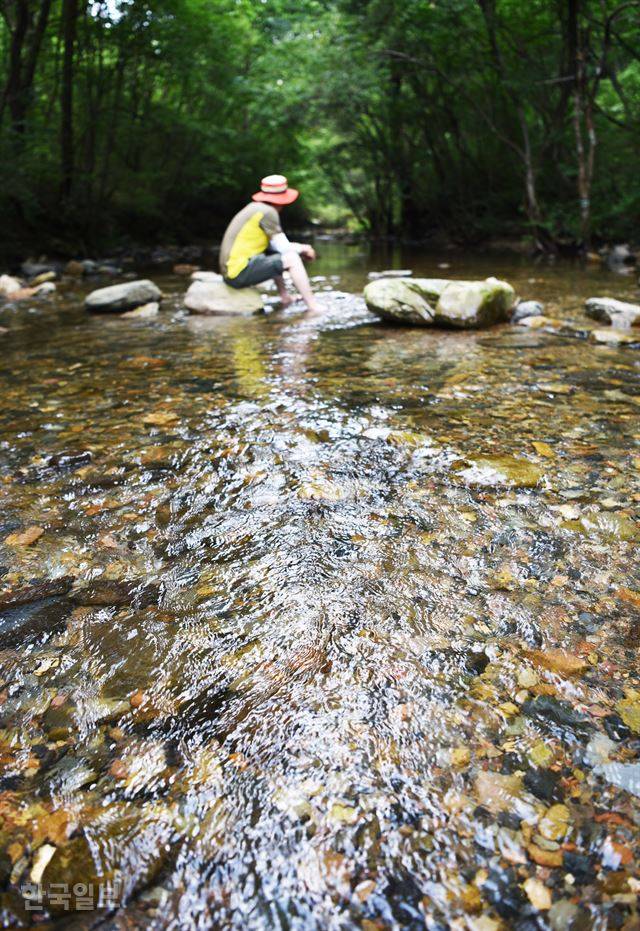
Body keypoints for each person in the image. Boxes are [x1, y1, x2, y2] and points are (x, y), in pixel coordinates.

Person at [220, 174, 321, 313]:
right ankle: (313, 306)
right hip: (237, 274)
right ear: (281, 200)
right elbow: (284, 248)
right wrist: (305, 249)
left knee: (275, 254)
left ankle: (285, 297)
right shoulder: (268, 212)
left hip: (231, 272)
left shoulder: (255, 208)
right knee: (291, 258)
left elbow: (276, 248)